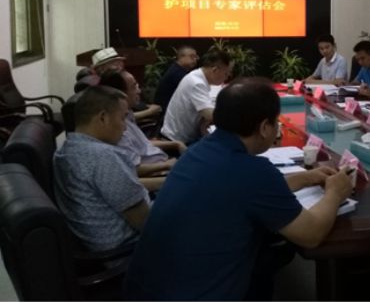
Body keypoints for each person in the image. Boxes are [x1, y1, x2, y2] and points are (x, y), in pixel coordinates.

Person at [124, 78, 352, 301]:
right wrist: (335, 192)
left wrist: (306, 178)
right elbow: (310, 235)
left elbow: (242, 190)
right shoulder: (253, 170)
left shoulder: (198, 151)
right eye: (276, 123)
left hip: (148, 289)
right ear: (265, 127)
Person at [53, 86, 150, 251]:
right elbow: (146, 221)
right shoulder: (103, 156)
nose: (125, 128)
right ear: (103, 118)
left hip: (102, 245)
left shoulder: (68, 148)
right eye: (123, 118)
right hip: (128, 250)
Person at [100, 70, 186, 191]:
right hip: (157, 174)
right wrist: (166, 165)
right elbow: (134, 169)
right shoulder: (118, 130)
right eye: (134, 87)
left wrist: (175, 143)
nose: (139, 91)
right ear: (120, 94)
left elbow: (143, 144)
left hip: (164, 161)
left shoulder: (127, 115)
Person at [161, 49, 232, 144]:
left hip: (184, 137)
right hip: (176, 141)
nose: (227, 78)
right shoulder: (197, 83)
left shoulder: (197, 76)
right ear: (215, 70)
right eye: (226, 73)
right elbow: (211, 115)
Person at [153, 45, 199, 112]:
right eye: (192, 56)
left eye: (196, 57)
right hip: (168, 112)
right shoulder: (177, 73)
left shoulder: (178, 69)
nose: (195, 59)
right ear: (181, 57)